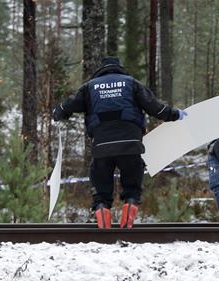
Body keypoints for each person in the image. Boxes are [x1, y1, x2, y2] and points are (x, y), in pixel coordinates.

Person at [52, 56, 184, 229]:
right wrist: (174, 114)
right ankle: (130, 203)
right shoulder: (131, 83)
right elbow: (155, 107)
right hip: (130, 143)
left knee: (101, 182)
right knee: (132, 181)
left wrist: (58, 113)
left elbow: (68, 106)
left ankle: (102, 208)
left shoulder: (89, 88)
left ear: (101, 69)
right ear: (119, 68)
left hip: (101, 146)